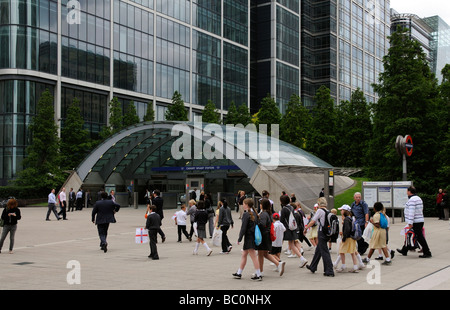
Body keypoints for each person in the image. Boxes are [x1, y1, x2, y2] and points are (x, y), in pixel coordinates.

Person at [396, 186, 432, 258]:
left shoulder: (412, 200)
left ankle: (427, 252)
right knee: (410, 234)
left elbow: (411, 212)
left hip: (415, 221)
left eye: (407, 191)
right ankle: (404, 250)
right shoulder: (418, 198)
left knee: (419, 237)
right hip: (419, 220)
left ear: (409, 192)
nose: (406, 193)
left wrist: (410, 223)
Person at [232, 198, 262, 281]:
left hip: (249, 238)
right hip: (252, 237)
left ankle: (258, 274)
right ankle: (239, 272)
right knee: (244, 255)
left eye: (244, 203)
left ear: (247, 205)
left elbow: (243, 228)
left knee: (253, 256)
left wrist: (239, 238)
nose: (243, 205)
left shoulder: (246, 214)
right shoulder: (254, 213)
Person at [304, 197, 335, 277]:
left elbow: (313, 221)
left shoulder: (320, 211)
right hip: (327, 233)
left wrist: (306, 228)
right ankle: (313, 266)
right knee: (319, 250)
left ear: (318, 204)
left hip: (321, 232)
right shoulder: (328, 211)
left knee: (324, 251)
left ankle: (329, 270)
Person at [257, 198, 286, 277]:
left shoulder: (263, 214)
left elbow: (262, 224)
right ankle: (278, 263)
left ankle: (260, 271)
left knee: (260, 254)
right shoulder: (269, 214)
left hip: (263, 236)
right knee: (265, 254)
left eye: (261, 204)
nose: (260, 205)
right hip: (268, 236)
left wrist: (256, 223)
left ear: (263, 205)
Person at [279, 195, 308, 268]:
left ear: (282, 202)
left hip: (286, 229)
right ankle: (302, 258)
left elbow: (282, 220)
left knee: (279, 243)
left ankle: (277, 260)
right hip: (292, 227)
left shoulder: (284, 209)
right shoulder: (291, 207)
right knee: (292, 244)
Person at [335, 205, 359, 273]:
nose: (341, 211)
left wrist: (344, 237)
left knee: (341, 251)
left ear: (345, 211)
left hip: (348, 238)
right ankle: (355, 266)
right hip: (352, 238)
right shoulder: (351, 218)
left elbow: (347, 230)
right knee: (352, 252)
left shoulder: (346, 219)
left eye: (342, 210)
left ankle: (343, 265)